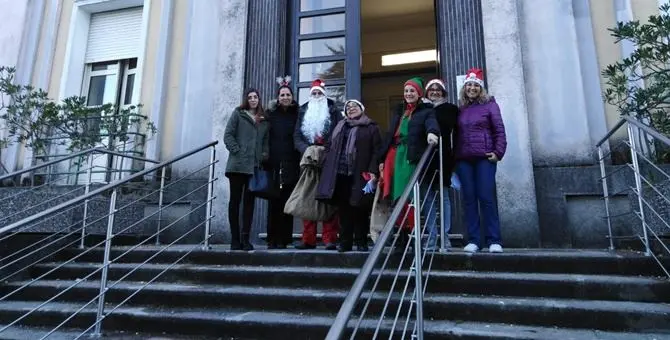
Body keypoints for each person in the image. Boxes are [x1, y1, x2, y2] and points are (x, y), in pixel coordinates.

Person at [377, 77, 440, 249]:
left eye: (412, 90)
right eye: (406, 91)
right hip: (394, 157)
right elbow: (390, 135)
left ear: (419, 93)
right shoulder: (399, 111)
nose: (409, 94)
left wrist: (432, 133)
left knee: (414, 197)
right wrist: (382, 159)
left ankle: (423, 236)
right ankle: (403, 237)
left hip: (410, 158)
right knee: (397, 198)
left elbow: (431, 123)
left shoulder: (426, 111)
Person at [316, 99, 382, 252]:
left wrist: (373, 170)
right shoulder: (340, 126)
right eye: (348, 107)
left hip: (361, 173)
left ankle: (361, 241)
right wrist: (326, 160)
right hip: (340, 173)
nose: (351, 109)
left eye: (355, 106)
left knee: (360, 207)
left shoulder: (371, 127)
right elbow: (329, 146)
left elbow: (377, 150)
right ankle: (345, 242)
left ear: (362, 108)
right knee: (344, 209)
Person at [454, 68, 507, 253]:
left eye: (475, 85)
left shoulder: (490, 105)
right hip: (463, 160)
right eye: (469, 84)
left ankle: (494, 240)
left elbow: (499, 130)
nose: (472, 88)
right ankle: (474, 240)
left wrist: (498, 152)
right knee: (469, 199)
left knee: (486, 198)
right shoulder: (460, 108)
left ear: (480, 88)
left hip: (485, 157)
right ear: (464, 87)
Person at [293, 79, 343, 250]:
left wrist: (327, 149)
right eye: (314, 93)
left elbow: (338, 133)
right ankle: (308, 239)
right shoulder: (303, 110)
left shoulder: (334, 110)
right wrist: (306, 149)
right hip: (308, 161)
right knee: (308, 198)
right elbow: (297, 136)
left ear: (324, 94)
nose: (316, 96)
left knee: (328, 199)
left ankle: (330, 238)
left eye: (319, 93)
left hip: (328, 159)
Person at [224, 88, 269, 251]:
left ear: (259, 99)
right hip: (237, 167)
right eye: (250, 97)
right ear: (246, 99)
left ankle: (245, 239)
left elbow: (265, 142)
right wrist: (237, 151)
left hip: (254, 168)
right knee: (235, 202)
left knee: (249, 204)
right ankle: (234, 239)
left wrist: (264, 155)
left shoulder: (263, 120)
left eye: (255, 97)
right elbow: (228, 135)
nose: (253, 100)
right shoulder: (238, 114)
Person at [423, 78, 460, 251]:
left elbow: (453, 131)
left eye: (438, 90)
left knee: (444, 198)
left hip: (443, 157)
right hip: (424, 159)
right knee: (428, 200)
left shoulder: (451, 109)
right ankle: (431, 237)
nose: (435, 92)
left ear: (443, 92)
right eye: (431, 89)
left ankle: (445, 237)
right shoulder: (421, 108)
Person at [265, 76, 301, 249]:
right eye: (282, 95)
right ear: (278, 97)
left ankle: (286, 238)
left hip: (291, 163)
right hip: (274, 163)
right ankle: (273, 238)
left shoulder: (297, 115)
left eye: (288, 94)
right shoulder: (270, 115)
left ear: (292, 97)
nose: (285, 97)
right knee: (274, 202)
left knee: (288, 201)